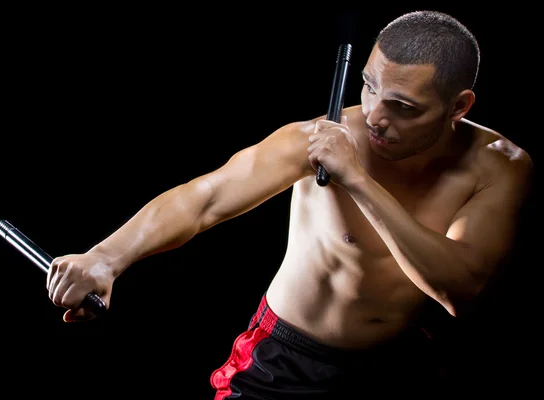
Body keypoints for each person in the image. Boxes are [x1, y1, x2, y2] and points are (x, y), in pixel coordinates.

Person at [46, 10, 533, 398]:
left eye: (404, 106)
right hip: (286, 359)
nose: (376, 116)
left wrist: (356, 179)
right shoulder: (318, 136)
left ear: (459, 106)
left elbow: (459, 292)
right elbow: (207, 197)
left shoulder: (498, 166)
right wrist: (106, 258)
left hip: (398, 362)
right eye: (368, 86)